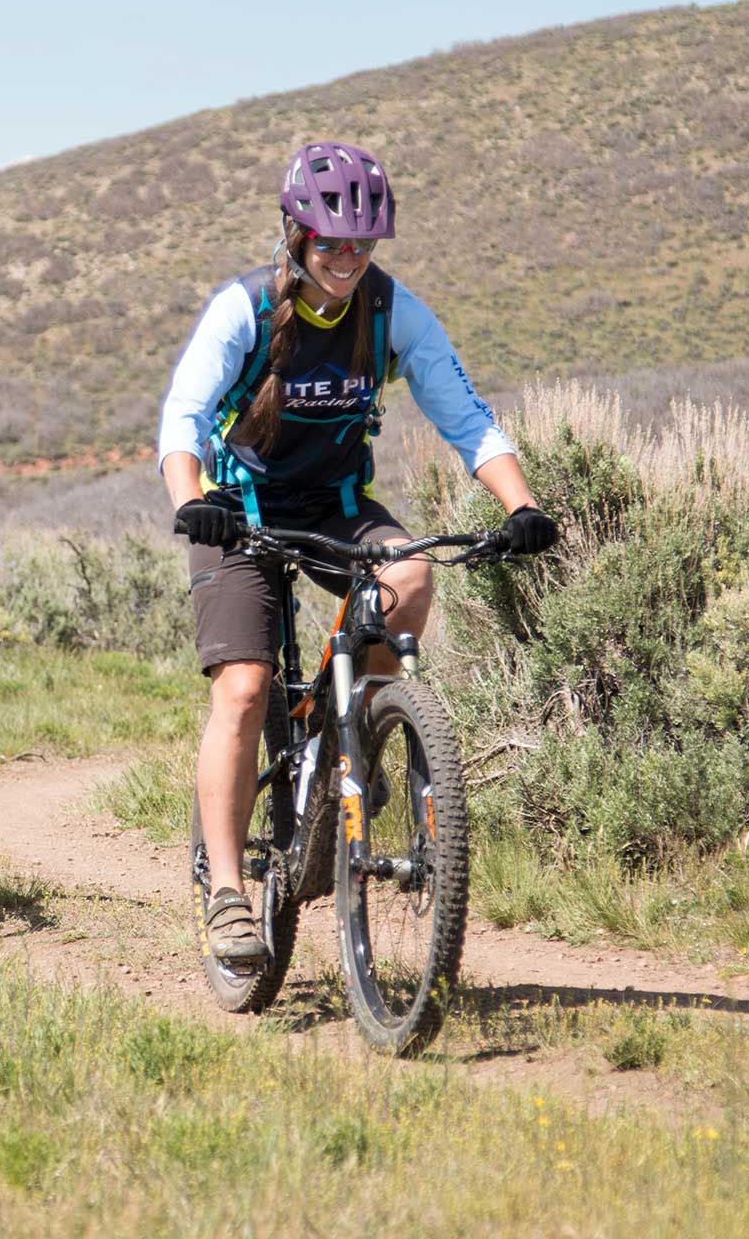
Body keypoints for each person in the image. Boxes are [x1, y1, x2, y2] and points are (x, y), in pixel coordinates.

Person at [156, 141, 561, 967]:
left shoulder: (391, 312)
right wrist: (193, 502)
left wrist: (520, 504)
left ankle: (360, 731)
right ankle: (229, 893)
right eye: (332, 242)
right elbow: (183, 419)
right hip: (237, 513)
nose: (348, 259)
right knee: (243, 688)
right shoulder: (243, 309)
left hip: (337, 507)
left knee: (410, 573)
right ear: (296, 234)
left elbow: (467, 417)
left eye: (363, 244)